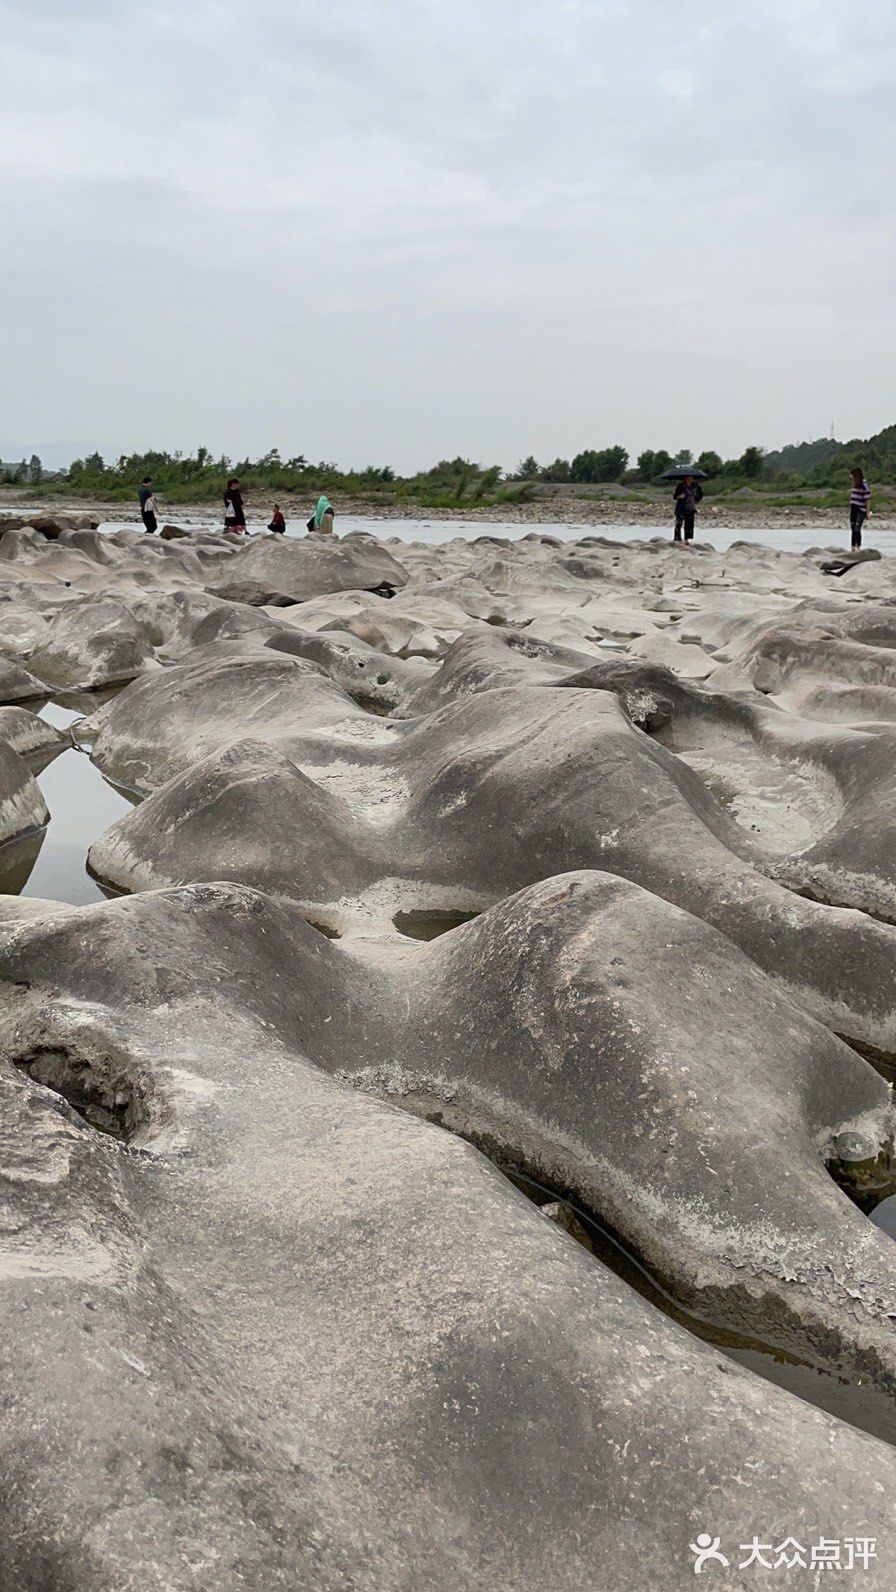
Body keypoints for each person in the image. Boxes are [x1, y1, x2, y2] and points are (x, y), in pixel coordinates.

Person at [673, 475, 703, 542]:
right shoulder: (681, 486)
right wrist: (679, 496)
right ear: (686, 478)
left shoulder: (695, 485)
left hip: (690, 507)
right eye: (690, 477)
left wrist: (697, 500)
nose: (692, 479)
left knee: (689, 525)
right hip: (681, 508)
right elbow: (674, 496)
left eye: (692, 477)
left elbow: (701, 493)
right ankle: (677, 539)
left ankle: (687, 540)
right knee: (678, 523)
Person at [849, 466, 871, 549]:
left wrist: (867, 512)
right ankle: (852, 547)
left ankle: (858, 546)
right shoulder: (855, 485)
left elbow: (867, 499)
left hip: (860, 509)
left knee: (857, 528)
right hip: (853, 509)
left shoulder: (864, 485)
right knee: (853, 528)